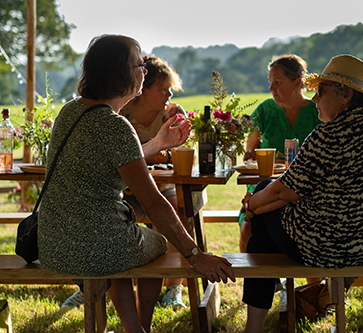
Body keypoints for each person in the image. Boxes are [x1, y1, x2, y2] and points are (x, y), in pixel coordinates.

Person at [38, 34, 235, 333]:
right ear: (119, 73)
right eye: (139, 64)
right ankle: (138, 327)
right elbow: (154, 202)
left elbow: (116, 157)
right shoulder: (116, 126)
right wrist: (196, 255)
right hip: (93, 248)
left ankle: (133, 328)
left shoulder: (70, 112)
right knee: (160, 245)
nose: (144, 69)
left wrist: (157, 142)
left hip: (52, 244)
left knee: (119, 239)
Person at [240, 54, 363, 333]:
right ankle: (260, 323)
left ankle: (253, 327)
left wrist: (251, 206)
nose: (315, 99)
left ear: (345, 95)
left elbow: (281, 194)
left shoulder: (329, 134)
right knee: (261, 243)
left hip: (329, 246)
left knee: (265, 191)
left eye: (321, 92)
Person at [60, 56, 190, 312]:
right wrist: (196, 256)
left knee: (175, 210)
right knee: (136, 243)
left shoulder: (72, 111)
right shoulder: (117, 119)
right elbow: (127, 168)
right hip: (121, 199)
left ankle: (173, 287)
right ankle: (93, 291)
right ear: (140, 89)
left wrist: (161, 147)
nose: (169, 94)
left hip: (71, 228)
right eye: (162, 88)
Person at [239, 54, 322, 254]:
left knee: (307, 228)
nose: (271, 88)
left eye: (278, 82)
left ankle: (315, 284)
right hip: (264, 186)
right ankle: (258, 279)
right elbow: (249, 151)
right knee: (248, 227)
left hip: (304, 190)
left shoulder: (316, 112)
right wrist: (250, 153)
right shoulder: (265, 110)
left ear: (297, 83)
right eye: (270, 82)